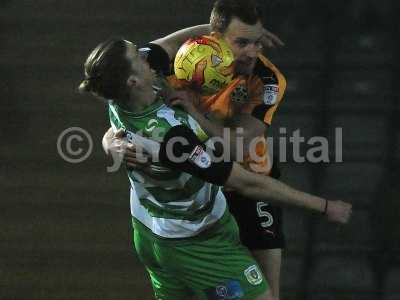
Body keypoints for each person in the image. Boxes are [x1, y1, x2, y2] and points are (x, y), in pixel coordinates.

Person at [78, 38, 351, 300]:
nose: (145, 53)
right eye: (137, 55)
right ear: (132, 81)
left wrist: (217, 32)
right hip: (195, 244)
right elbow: (248, 183)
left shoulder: (118, 97)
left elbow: (169, 43)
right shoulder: (172, 139)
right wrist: (324, 206)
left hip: (149, 229)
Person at [103, 1, 288, 298]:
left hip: (248, 182)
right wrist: (110, 140)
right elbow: (120, 100)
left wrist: (196, 114)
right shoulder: (171, 64)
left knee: (268, 292)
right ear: (214, 36)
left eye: (257, 42)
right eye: (242, 42)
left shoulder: (266, 79)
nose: (253, 52)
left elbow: (237, 146)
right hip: (199, 195)